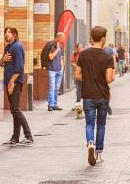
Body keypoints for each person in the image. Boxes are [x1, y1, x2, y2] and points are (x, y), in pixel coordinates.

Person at [75, 26, 115, 166]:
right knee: (101, 124)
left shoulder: (83, 54)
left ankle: (90, 143)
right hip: (103, 95)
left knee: (90, 123)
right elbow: (109, 78)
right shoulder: (108, 56)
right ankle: (98, 154)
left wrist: (88, 79)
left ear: (92, 38)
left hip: (88, 94)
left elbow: (77, 75)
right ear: (103, 38)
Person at [0, 27, 33, 146]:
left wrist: (11, 82)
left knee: (15, 109)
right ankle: (15, 137)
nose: (6, 34)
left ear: (15, 34)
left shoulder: (17, 47)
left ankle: (28, 136)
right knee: (14, 110)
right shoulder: (8, 47)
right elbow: (1, 63)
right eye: (5, 32)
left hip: (15, 82)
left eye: (9, 32)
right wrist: (2, 60)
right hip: (9, 81)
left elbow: (19, 68)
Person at [46, 32, 66, 111]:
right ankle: (50, 105)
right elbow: (50, 57)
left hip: (59, 70)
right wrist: (57, 49)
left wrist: (62, 67)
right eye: (63, 37)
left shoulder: (61, 46)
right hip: (52, 69)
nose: (64, 39)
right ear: (59, 37)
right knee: (52, 87)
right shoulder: (52, 45)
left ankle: (55, 104)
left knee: (56, 88)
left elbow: (61, 58)